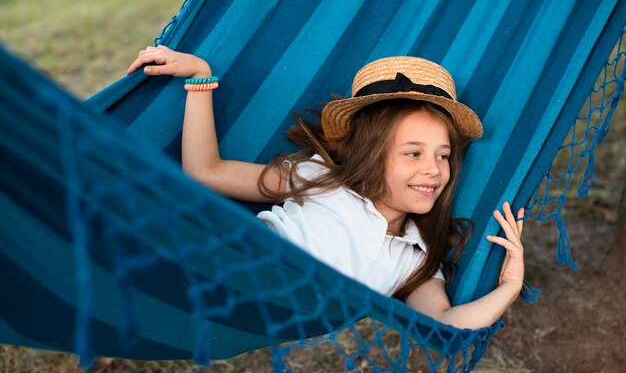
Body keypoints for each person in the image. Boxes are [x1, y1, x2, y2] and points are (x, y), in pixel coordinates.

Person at [127, 46, 525, 330]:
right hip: (210, 259)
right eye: (413, 153)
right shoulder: (321, 179)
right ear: (371, 153)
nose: (434, 171)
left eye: (443, 155)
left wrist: (509, 286)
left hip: (247, 314)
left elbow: (444, 324)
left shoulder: (416, 259)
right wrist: (201, 78)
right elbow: (207, 172)